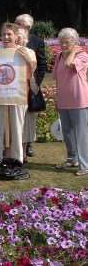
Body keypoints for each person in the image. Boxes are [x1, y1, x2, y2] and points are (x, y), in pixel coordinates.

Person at [0, 23, 37, 168]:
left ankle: (17, 160)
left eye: (9, 34)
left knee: (17, 128)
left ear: (16, 36)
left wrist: (29, 60)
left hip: (18, 95)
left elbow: (32, 73)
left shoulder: (26, 51)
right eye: (3, 34)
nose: (6, 37)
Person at [53, 28, 88, 176]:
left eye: (67, 42)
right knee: (67, 132)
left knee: (80, 133)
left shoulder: (82, 55)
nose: (63, 45)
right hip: (63, 98)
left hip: (78, 99)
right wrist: (57, 96)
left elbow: (69, 64)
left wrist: (73, 51)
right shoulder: (59, 56)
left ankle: (85, 165)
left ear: (74, 42)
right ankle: (72, 159)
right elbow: (56, 76)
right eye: (61, 42)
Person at [15, 14, 47, 157]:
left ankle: (28, 145)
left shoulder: (37, 41)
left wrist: (34, 84)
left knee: (29, 118)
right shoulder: (10, 40)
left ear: (27, 27)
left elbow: (42, 65)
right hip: (14, 86)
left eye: (18, 23)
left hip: (30, 85)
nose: (15, 25)